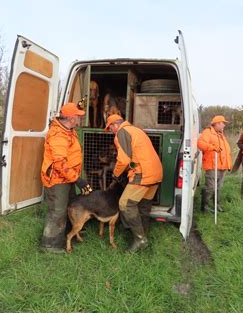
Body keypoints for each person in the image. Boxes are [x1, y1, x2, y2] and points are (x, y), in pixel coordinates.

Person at [104, 114, 163, 252]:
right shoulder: (136, 130)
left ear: (115, 125)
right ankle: (143, 236)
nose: (111, 131)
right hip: (156, 172)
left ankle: (140, 239)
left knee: (125, 204)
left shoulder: (122, 132)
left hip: (143, 174)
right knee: (143, 206)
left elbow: (124, 160)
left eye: (110, 128)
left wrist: (116, 174)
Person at [40, 103, 92, 253]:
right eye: (79, 116)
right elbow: (59, 163)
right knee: (57, 211)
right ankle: (50, 245)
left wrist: (74, 177)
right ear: (71, 118)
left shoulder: (69, 130)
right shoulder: (58, 135)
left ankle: (69, 234)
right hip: (57, 180)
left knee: (70, 206)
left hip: (68, 178)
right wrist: (78, 180)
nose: (81, 119)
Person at [198, 115, 232, 213]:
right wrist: (212, 147)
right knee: (210, 187)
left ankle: (216, 204)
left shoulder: (221, 134)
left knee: (218, 187)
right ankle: (204, 206)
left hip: (222, 166)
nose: (224, 125)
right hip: (213, 165)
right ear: (217, 123)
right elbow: (200, 144)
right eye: (223, 123)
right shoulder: (208, 132)